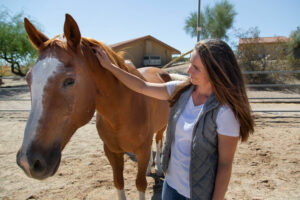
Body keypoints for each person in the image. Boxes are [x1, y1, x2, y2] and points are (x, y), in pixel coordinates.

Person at [93, 38, 254, 200]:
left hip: (199, 194)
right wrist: (111, 67)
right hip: (170, 186)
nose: (188, 70)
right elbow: (142, 87)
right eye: (190, 63)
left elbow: (225, 165)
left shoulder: (225, 112)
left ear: (215, 72)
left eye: (196, 68)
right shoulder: (181, 90)